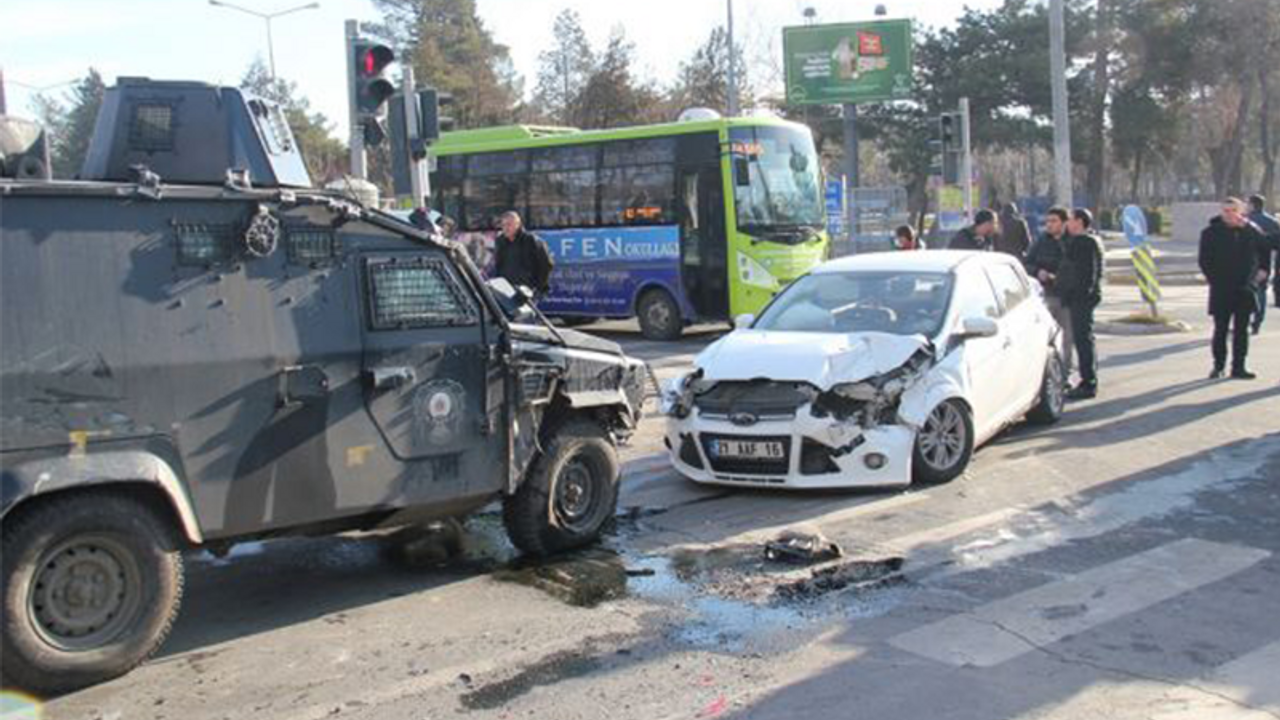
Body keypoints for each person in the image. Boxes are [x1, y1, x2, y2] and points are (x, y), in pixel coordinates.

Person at [1198, 198, 1271, 380]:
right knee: (1220, 329)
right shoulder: (1210, 233)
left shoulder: (1249, 231)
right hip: (1221, 288)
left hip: (1245, 288)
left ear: (1241, 212)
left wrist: (1263, 271)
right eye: (1225, 210)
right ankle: (1218, 366)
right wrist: (1216, 279)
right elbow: (1204, 260)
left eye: (1233, 210)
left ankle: (1239, 367)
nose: (1229, 214)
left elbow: (1266, 247)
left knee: (1241, 331)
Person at [1060, 208, 1106, 399]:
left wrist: (1077, 294)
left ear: (1079, 222)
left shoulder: (1084, 243)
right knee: (1085, 339)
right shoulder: (1091, 240)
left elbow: (1086, 274)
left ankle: (1088, 382)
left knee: (1083, 340)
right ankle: (1089, 379)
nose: (1067, 224)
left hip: (1081, 298)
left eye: (1070, 220)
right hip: (1084, 297)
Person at [1025, 207, 1075, 379]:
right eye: (1048, 221)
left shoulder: (1072, 242)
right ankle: (1046, 376)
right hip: (1045, 297)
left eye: (1054, 221)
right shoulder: (1041, 241)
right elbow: (1027, 263)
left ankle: (1065, 375)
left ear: (1064, 223)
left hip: (1066, 298)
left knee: (1066, 339)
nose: (1049, 225)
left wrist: (1059, 277)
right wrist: (1038, 271)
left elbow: (1075, 269)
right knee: (1044, 339)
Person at [493, 211, 554, 298]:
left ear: (518, 224)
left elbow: (547, 264)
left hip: (527, 291)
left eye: (509, 224)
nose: (505, 228)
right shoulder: (500, 241)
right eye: (503, 225)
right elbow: (498, 265)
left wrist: (538, 287)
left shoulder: (531, 240)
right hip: (506, 290)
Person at [1247, 194, 1280, 333]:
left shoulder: (1246, 220)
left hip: (1246, 260)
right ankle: (1258, 321)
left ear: (1253, 205)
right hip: (1264, 261)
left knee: (1246, 291)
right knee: (1261, 290)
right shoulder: (1273, 222)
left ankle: (1245, 319)